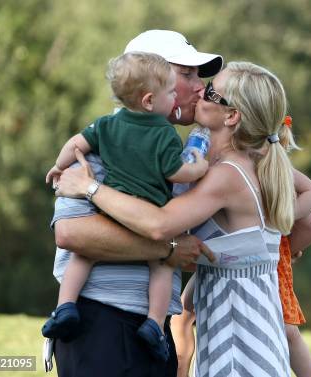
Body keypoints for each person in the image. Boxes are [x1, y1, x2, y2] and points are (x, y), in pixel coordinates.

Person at [56, 61, 311, 376]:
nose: (200, 91)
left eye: (211, 92)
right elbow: (309, 224)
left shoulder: (226, 175)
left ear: (232, 116)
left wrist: (89, 187)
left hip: (237, 341)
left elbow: (159, 225)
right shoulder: (249, 162)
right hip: (245, 333)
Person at [49, 30, 222, 377]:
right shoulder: (99, 145)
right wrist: (167, 249)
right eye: (186, 75)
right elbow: (72, 234)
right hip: (100, 324)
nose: (200, 86)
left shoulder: (174, 148)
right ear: (149, 86)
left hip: (151, 328)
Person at [172, 170, 311, 377]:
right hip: (240, 262)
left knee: (287, 329)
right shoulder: (268, 167)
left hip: (252, 261)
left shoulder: (241, 170)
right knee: (181, 315)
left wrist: (278, 255)